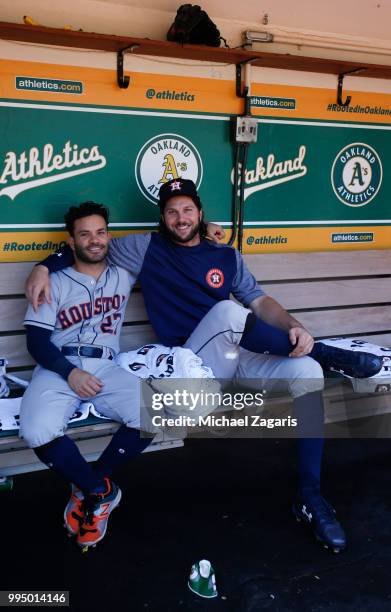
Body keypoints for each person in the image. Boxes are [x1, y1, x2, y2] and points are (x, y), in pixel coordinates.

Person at [26, 180, 382, 553]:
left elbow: (260, 303)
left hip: (235, 354)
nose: (180, 218)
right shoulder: (146, 247)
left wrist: (294, 327)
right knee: (229, 312)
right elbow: (88, 248)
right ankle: (327, 354)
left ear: (199, 212)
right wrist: (43, 266)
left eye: (187, 210)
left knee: (306, 373)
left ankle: (310, 496)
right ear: (162, 217)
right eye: (171, 211)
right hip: (191, 364)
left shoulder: (225, 255)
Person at [20, 202, 153, 551]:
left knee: (152, 412)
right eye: (85, 234)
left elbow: (175, 235)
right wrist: (70, 373)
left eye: (100, 232)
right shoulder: (54, 280)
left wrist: (208, 225)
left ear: (108, 235)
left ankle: (87, 487)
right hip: (58, 365)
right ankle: (99, 491)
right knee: (35, 429)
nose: (94, 240)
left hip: (107, 367)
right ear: (71, 240)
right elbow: (36, 341)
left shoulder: (124, 272)